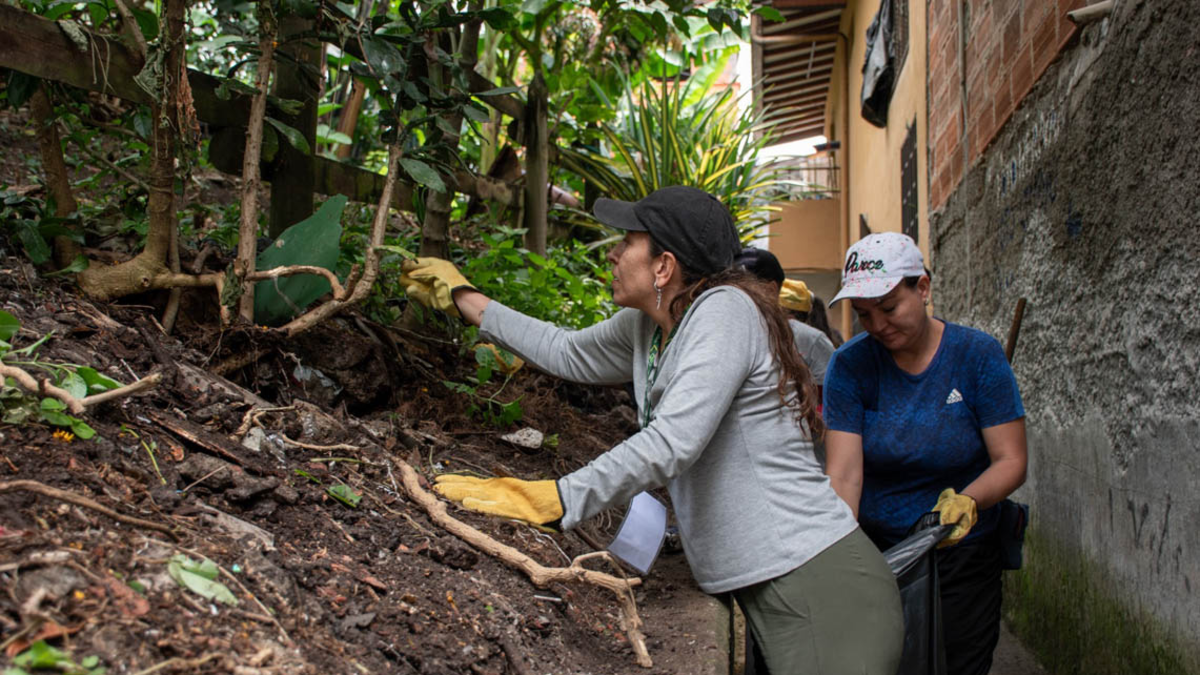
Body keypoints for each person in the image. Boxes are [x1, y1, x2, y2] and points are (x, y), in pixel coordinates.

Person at [401, 186, 904, 675]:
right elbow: (566, 350)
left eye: (628, 242)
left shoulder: (726, 310)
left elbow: (673, 441)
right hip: (772, 586)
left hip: (820, 586)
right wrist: (466, 298)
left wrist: (558, 499)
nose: (614, 254)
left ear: (664, 265)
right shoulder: (651, 326)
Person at [821, 232, 1028, 675]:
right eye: (863, 315)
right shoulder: (851, 366)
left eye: (890, 308)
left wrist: (969, 500)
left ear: (924, 288)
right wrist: (836, 553)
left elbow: (1011, 460)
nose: (877, 325)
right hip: (880, 554)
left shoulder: (977, 357)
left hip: (961, 552)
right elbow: (844, 475)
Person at [734, 248, 836, 388]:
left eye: (745, 289)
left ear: (771, 289)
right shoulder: (729, 335)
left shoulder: (809, 339)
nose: (734, 297)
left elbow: (828, 397)